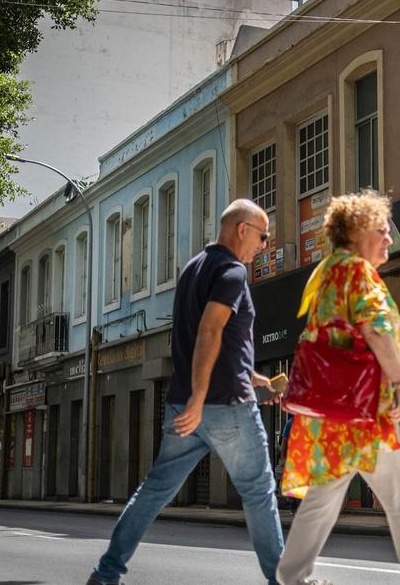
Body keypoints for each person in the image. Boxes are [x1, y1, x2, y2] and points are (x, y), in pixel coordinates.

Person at [87, 200, 285, 585]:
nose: (264, 245)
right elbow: (209, 331)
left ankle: (106, 574)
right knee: (259, 491)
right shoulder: (232, 272)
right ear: (242, 229)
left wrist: (251, 378)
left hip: (184, 405)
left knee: (154, 490)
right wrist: (201, 395)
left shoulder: (193, 269)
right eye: (262, 236)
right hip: (223, 406)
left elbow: (213, 341)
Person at [276, 190, 400, 585]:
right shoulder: (357, 272)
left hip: (335, 415)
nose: (388, 237)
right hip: (371, 411)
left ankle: (291, 575)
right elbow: (376, 331)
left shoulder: (327, 273)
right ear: (356, 232)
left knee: (323, 499)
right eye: (381, 230)